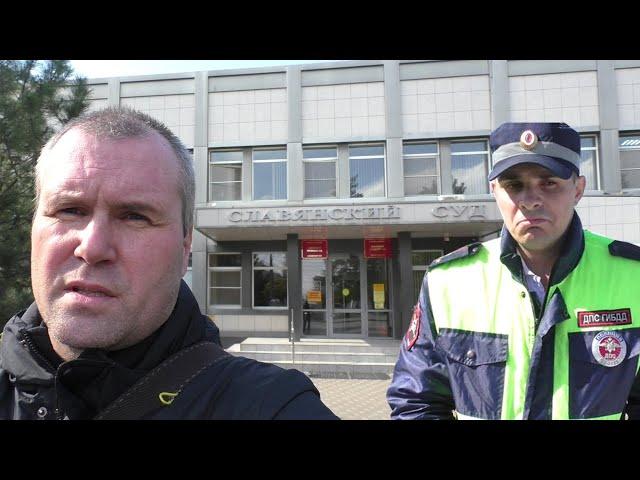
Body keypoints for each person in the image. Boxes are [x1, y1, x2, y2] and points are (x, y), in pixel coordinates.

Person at [0, 106, 339, 420]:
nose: (92, 247)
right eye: (69, 210)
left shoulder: (272, 407)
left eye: (134, 216)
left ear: (185, 246)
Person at [387, 122, 640, 420]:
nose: (530, 201)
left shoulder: (632, 277)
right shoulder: (448, 282)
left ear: (578, 189)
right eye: (514, 185)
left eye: (549, 183)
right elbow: (416, 402)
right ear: (494, 191)